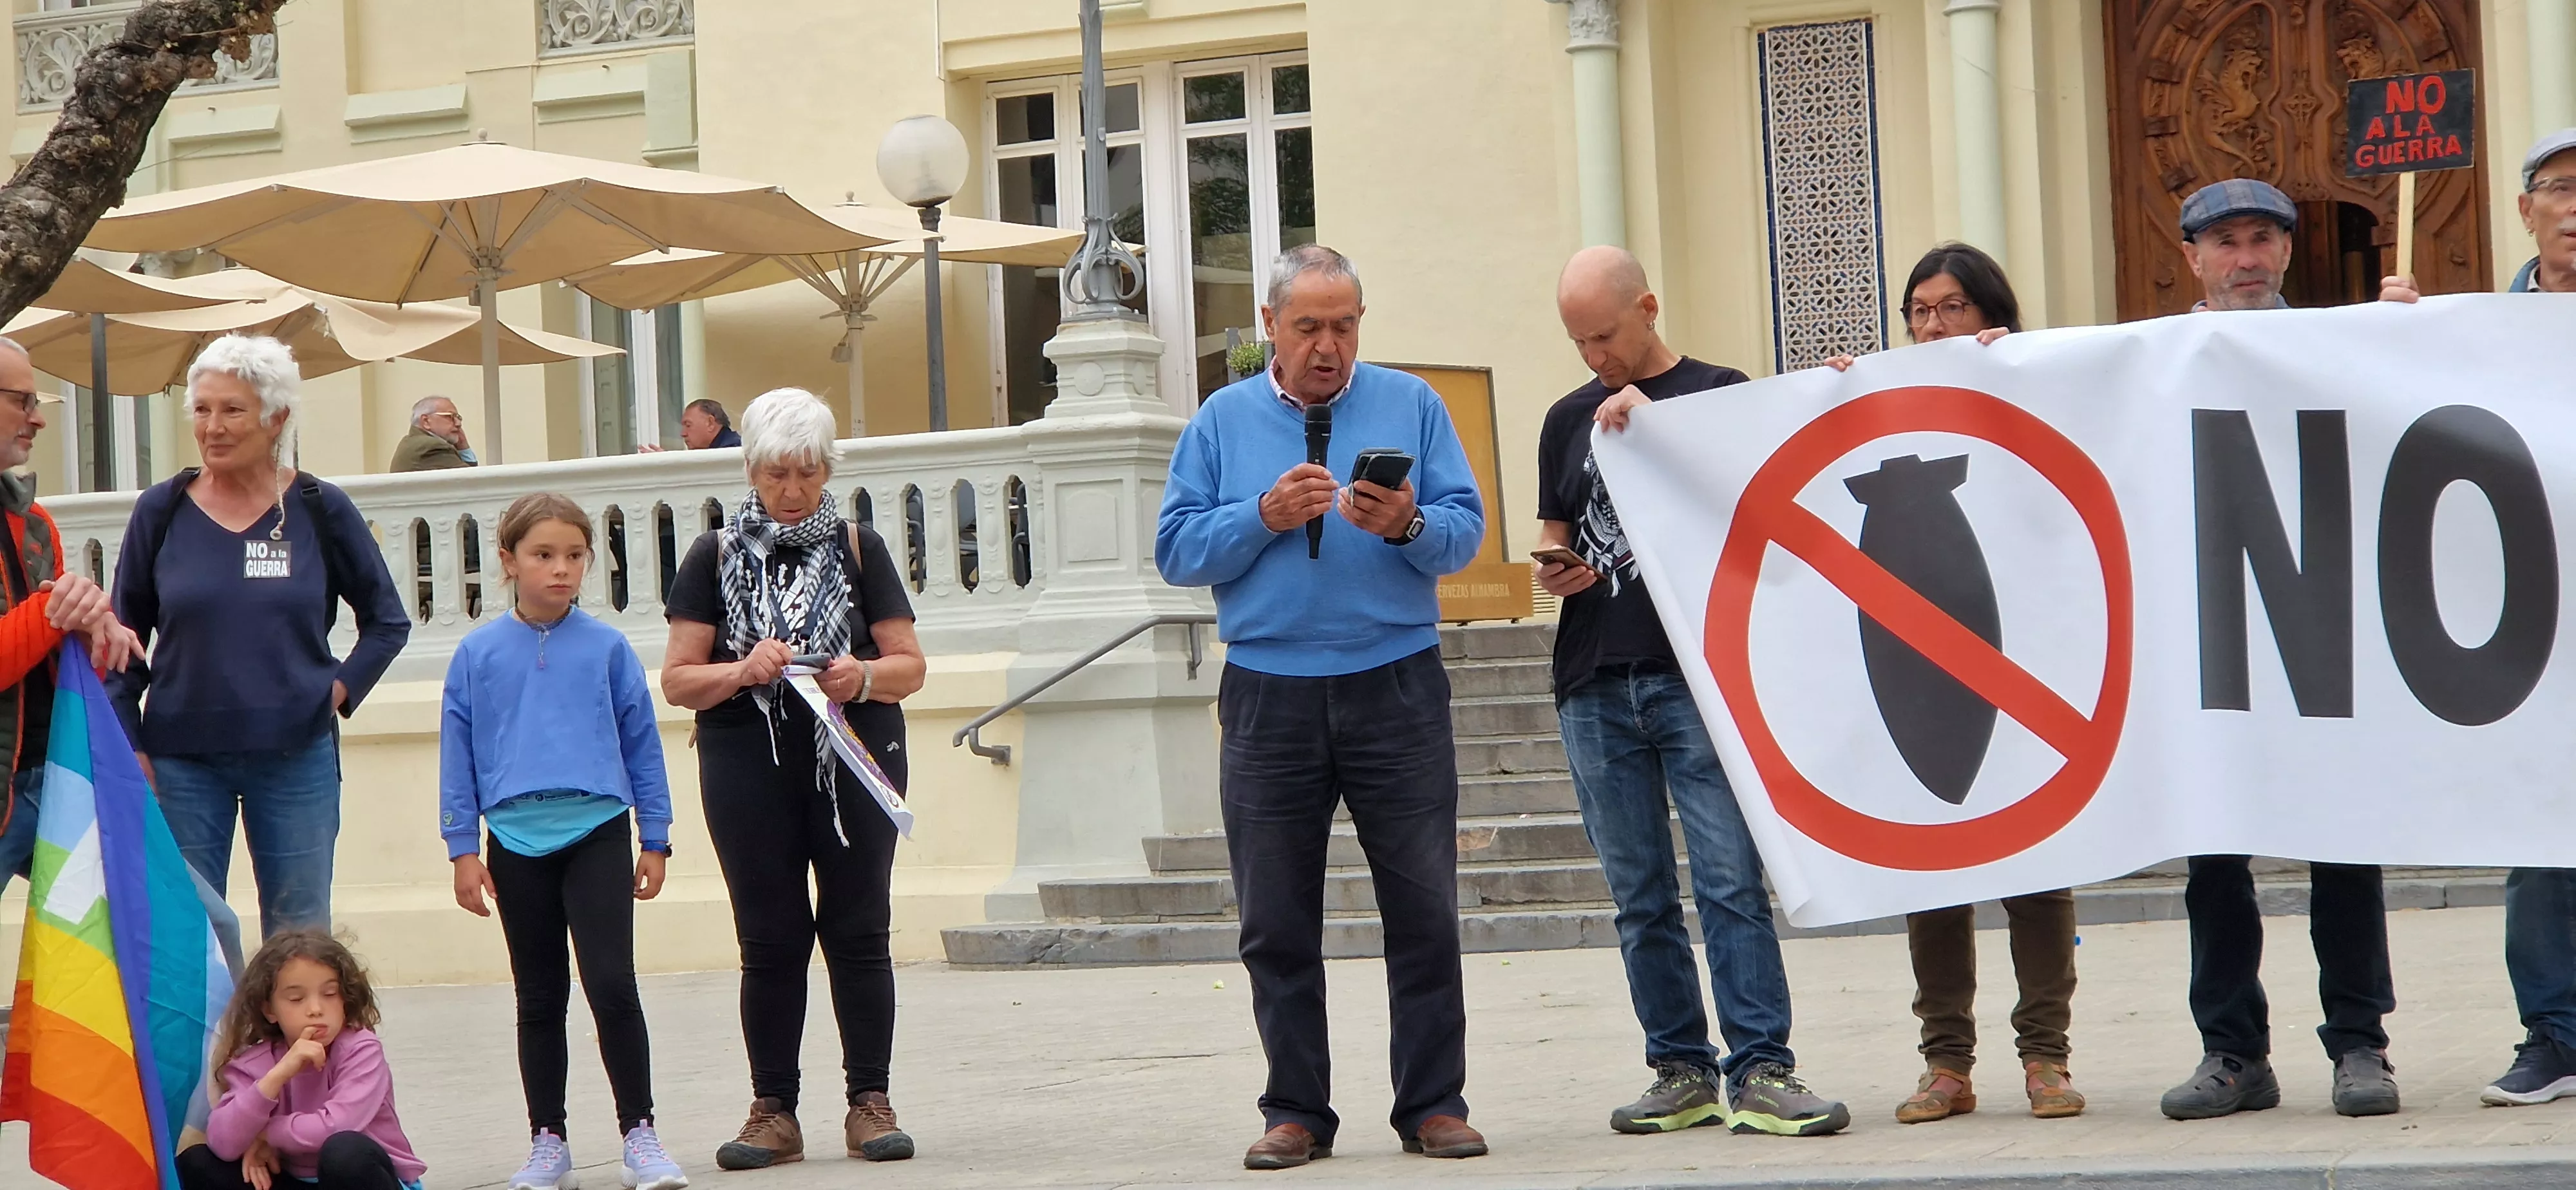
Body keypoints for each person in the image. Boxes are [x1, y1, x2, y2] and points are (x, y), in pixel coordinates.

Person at [1156, 244, 1490, 1171]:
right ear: (1269, 326)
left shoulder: (1412, 404)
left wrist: (1407, 524)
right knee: (1275, 916)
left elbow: (1464, 534)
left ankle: (1433, 1103)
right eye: (1309, 327)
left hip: (1396, 682)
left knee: (1423, 907)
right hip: (1268, 692)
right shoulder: (1221, 420)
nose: (1329, 347)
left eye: (1345, 326)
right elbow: (1178, 552)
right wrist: (1258, 515)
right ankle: (1295, 1110)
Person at [1536, 246, 1851, 1139]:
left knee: (1728, 879)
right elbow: (1555, 535)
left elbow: (1757, 516)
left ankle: (1761, 1068)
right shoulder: (1568, 417)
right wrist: (1555, 572)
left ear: (1648, 306)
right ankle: (1679, 1068)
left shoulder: (1721, 391)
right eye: (1578, 341)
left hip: (1697, 676)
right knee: (1639, 891)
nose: (1594, 357)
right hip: (1593, 675)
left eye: (1604, 335)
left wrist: (1673, 433)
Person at [2157, 178, 2399, 1121]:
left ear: (2290, 252)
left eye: (2262, 238)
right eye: (2225, 242)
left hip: (2323, 629)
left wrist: (2411, 336)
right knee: (2214, 857)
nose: (2246, 258)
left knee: (2344, 841)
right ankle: (2232, 1052)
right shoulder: (2148, 362)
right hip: (2208, 639)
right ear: (2192, 258)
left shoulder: (2340, 345)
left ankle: (2360, 1044)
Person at [1823, 245, 2079, 1123]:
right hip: (1912, 663)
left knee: (2038, 865)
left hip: (2019, 660)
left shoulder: (2032, 388)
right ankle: (1947, 1066)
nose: (1934, 326)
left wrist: (2021, 377)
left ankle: (2047, 1056)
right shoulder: (1881, 402)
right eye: (1919, 312)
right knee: (1934, 868)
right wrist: (1833, 399)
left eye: (1953, 308)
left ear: (1989, 311)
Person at [660, 386, 927, 1169]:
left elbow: (909, 665)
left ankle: (869, 1101)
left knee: (858, 928)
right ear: (750, 470)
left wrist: (863, 678)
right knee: (770, 937)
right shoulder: (712, 554)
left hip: (854, 753)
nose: (791, 490)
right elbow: (678, 680)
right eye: (777, 473)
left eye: (807, 472)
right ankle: (773, 1108)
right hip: (747, 757)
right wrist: (742, 670)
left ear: (826, 470)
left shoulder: (858, 547)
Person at [2382, 128, 2576, 1106]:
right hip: (2535, 622)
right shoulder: (2477, 332)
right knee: (2543, 832)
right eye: (2560, 187)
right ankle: (2555, 1033)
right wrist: (2390, 337)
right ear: (2525, 211)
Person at [108, 335, 413, 938]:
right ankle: (203, 1040)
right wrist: (130, 743)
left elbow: (387, 622)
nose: (213, 427)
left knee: (300, 939)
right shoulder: (160, 511)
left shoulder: (319, 507)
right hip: (180, 760)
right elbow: (123, 642)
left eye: (232, 410)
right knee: (183, 933)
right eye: (202, 409)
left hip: (296, 756)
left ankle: (297, 1040)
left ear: (276, 420)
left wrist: (336, 692)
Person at [440, 493, 685, 1190]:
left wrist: (656, 836)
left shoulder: (607, 648)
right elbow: (456, 753)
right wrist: (462, 846)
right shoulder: (476, 654)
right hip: (513, 841)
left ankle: (641, 1134)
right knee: (539, 995)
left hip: (598, 831)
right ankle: (548, 1140)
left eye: (574, 556)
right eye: (543, 555)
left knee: (612, 983)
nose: (561, 569)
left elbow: (642, 745)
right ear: (509, 560)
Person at [0, 337, 145, 898]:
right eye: (23, 401)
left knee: (193, 927)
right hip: (19, 794)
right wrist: (60, 608)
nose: (38, 419)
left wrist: (89, 630)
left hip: (58, 784)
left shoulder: (35, 522)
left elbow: (60, 662)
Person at [184, 930, 425, 1190]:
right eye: (297, 999)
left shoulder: (361, 1049)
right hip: (295, 1178)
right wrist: (280, 1073)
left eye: (330, 994)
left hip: (359, 1178)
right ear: (269, 1010)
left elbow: (338, 1125)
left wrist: (266, 1134)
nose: (316, 1009)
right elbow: (223, 1142)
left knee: (344, 1153)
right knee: (197, 1162)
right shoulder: (253, 1063)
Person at [388, 395, 476, 472]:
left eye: (458, 418)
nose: (458, 424)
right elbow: (473, 483)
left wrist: (462, 446)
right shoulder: (433, 447)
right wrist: (465, 451)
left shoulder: (411, 441)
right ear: (426, 421)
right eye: (450, 417)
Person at [639, 399, 741, 453]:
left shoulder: (734, 450)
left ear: (710, 423)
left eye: (688, 425)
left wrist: (668, 463)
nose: (683, 434)